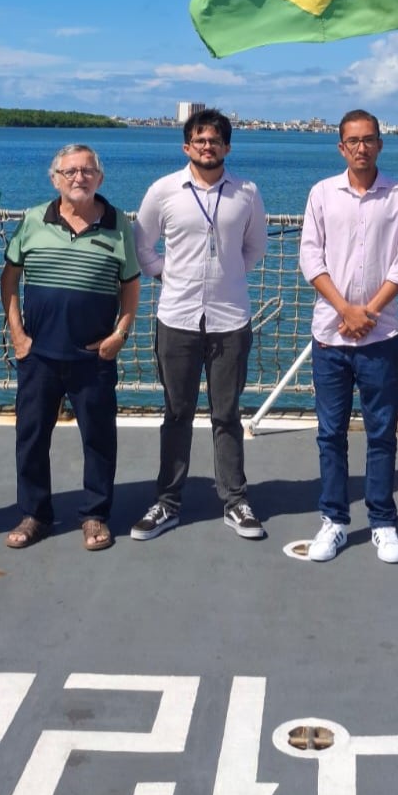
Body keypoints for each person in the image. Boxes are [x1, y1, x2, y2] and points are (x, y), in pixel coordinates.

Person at [130, 108, 268, 541]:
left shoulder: (246, 192)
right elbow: (141, 242)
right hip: (177, 319)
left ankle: (235, 500)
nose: (207, 147)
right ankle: (167, 502)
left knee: (227, 414)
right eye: (199, 140)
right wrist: (163, 274)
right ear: (186, 146)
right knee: (177, 413)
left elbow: (254, 248)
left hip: (229, 319)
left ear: (227, 147)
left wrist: (226, 278)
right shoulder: (164, 190)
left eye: (215, 141)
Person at [0, 145, 141, 551]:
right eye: (70, 171)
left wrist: (121, 334)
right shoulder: (32, 220)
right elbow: (10, 279)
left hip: (93, 356)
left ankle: (95, 515)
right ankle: (34, 514)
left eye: (88, 171)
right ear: (55, 178)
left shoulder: (118, 225)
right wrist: (18, 335)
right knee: (30, 437)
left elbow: (130, 284)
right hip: (39, 353)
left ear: (100, 178)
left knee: (98, 438)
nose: (79, 177)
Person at [298, 110, 398, 564]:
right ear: (341, 147)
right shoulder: (322, 194)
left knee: (382, 433)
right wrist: (344, 310)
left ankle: (383, 521)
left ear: (380, 144)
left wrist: (366, 313)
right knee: (330, 434)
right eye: (353, 141)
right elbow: (311, 257)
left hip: (379, 336)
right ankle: (334, 519)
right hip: (331, 337)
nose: (361, 147)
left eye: (369, 140)